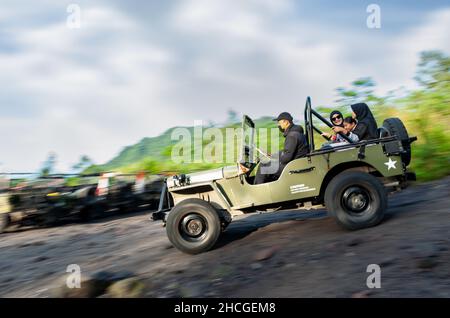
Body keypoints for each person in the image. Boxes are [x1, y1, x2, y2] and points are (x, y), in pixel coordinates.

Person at [253, 112, 308, 184]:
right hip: (295, 163)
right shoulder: (296, 133)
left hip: (292, 167)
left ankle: (257, 189)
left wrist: (275, 159)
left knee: (264, 165)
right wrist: (273, 155)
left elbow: (285, 159)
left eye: (279, 122)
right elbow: (288, 151)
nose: (278, 125)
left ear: (286, 122)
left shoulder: (292, 136)